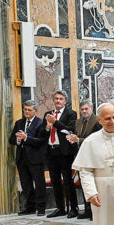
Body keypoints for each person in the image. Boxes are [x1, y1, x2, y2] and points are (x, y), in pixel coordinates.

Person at [43, 90, 79, 218]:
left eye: (61, 99)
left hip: (64, 152)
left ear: (65, 101)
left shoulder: (71, 113)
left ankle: (74, 208)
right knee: (55, 181)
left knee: (68, 181)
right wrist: (47, 127)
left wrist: (55, 122)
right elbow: (43, 133)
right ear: (53, 100)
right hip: (51, 151)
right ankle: (60, 208)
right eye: (56, 98)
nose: (58, 101)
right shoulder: (48, 114)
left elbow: (70, 130)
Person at [10, 100, 47, 216]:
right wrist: (18, 139)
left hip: (35, 159)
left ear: (35, 111)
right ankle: (30, 207)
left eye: (29, 110)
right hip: (22, 159)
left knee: (39, 184)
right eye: (25, 109)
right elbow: (11, 140)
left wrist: (26, 138)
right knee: (26, 185)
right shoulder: (19, 123)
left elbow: (40, 141)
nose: (26, 112)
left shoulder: (41, 123)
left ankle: (41, 208)